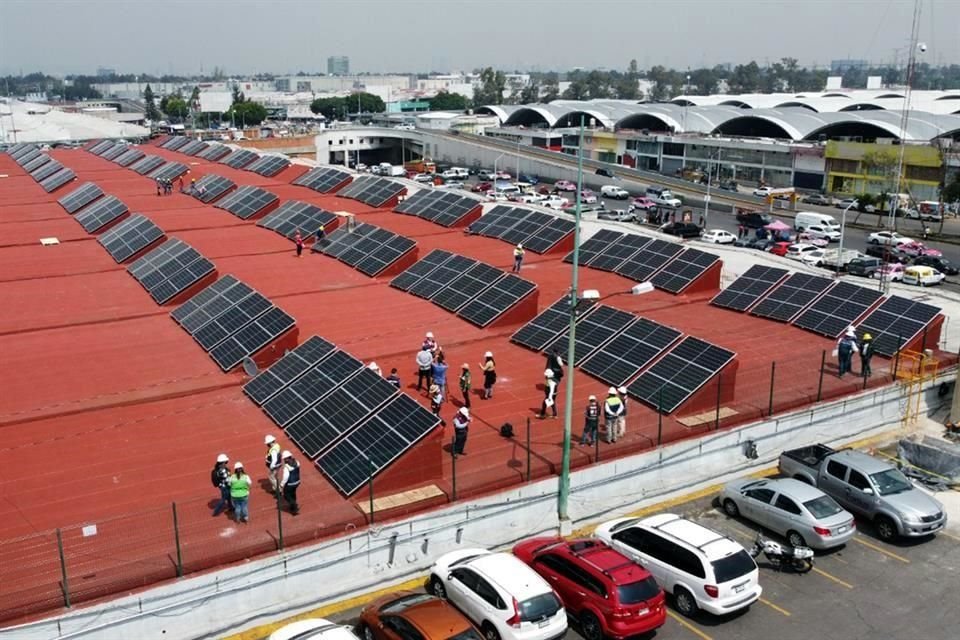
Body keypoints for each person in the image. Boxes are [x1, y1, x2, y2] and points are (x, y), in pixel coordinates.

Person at [279, 451, 300, 515]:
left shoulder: (286, 467)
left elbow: (285, 477)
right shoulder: (297, 462)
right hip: (297, 482)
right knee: (293, 493)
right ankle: (293, 506)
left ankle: (294, 505)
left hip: (290, 483)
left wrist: (281, 484)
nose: (284, 460)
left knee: (286, 495)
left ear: (286, 459)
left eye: (284, 459)